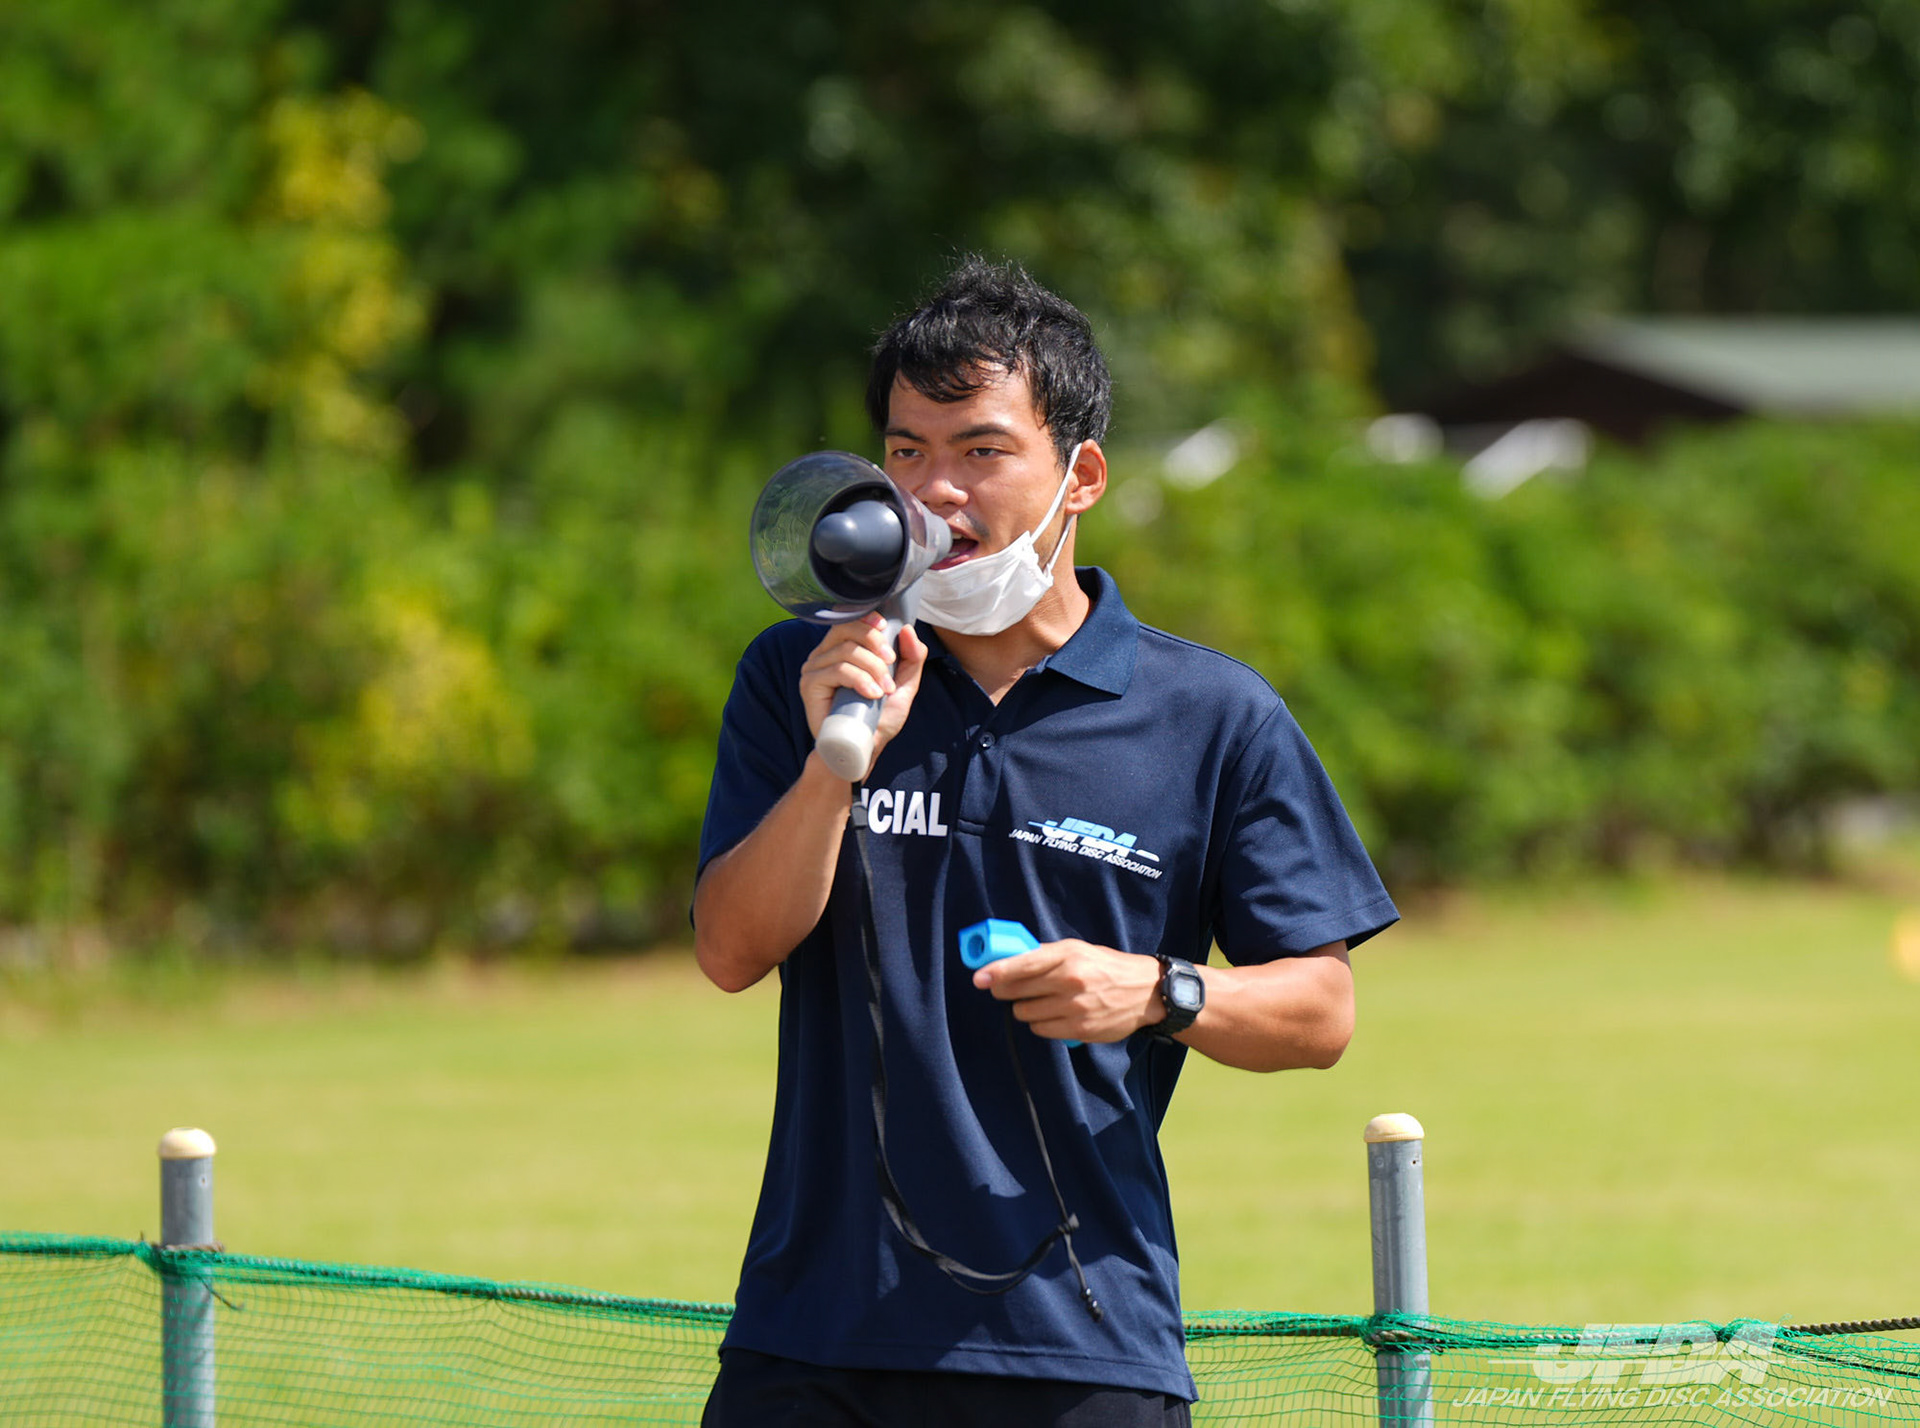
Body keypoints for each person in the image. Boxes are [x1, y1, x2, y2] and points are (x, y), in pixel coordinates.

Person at [693, 257, 1397, 1426]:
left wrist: (1154, 990)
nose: (937, 492)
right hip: (809, 1339)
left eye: (981, 450)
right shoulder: (803, 671)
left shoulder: (1212, 715)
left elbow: (1320, 1013)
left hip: (1083, 1348)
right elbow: (729, 950)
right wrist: (833, 763)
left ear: (1083, 476)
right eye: (907, 451)